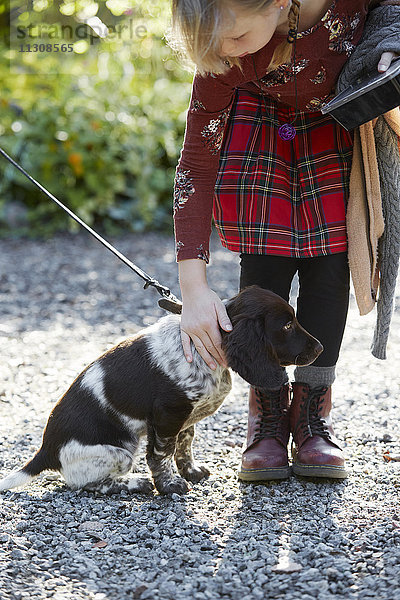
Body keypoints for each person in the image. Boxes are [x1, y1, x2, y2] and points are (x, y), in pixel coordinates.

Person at [168, 0, 399, 481]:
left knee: (331, 269)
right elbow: (197, 160)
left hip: (337, 114)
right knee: (265, 267)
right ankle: (268, 414)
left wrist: (391, 43)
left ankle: (313, 414)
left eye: (232, 37)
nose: (220, 52)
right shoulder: (225, 56)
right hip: (258, 123)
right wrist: (194, 288)